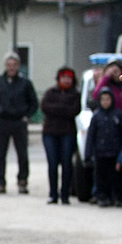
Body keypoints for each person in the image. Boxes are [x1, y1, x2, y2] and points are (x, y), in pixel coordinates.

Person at [0, 52, 38, 194]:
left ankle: (22, 181)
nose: (11, 68)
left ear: (18, 66)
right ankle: (0, 182)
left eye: (14, 65)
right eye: (9, 65)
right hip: (2, 121)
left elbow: (34, 102)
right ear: (5, 66)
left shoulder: (25, 83)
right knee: (0, 154)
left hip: (19, 121)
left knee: (22, 154)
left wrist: (27, 116)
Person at [40, 67, 81, 204]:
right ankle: (53, 193)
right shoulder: (50, 92)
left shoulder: (75, 94)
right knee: (52, 163)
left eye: (69, 78)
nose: (66, 80)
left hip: (67, 133)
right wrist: (63, 108)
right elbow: (45, 107)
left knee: (66, 163)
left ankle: (65, 194)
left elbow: (74, 110)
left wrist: (57, 109)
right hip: (50, 133)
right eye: (63, 77)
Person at [84, 87, 122, 207]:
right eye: (103, 99)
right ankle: (102, 196)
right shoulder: (96, 116)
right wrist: (88, 154)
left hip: (115, 151)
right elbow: (91, 136)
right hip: (100, 152)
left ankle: (116, 196)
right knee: (101, 176)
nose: (106, 102)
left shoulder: (118, 114)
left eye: (108, 99)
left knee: (116, 176)